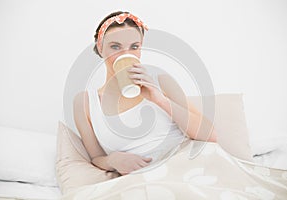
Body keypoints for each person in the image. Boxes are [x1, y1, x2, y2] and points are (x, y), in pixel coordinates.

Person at [73, 11, 217, 176]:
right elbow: (96, 157)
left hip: (189, 168)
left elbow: (210, 135)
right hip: (142, 180)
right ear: (100, 47)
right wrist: (112, 160)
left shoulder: (160, 81)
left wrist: (159, 99)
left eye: (134, 47)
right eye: (115, 46)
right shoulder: (85, 102)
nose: (126, 54)